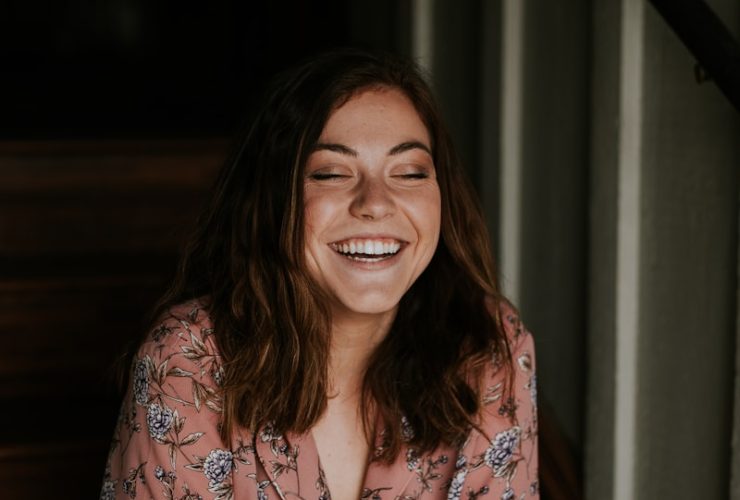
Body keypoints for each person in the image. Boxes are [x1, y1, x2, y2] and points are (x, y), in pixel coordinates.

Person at [100, 48, 538, 500]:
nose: (376, 203)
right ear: (270, 201)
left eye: (409, 173)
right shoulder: (189, 359)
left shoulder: (488, 348)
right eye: (331, 173)